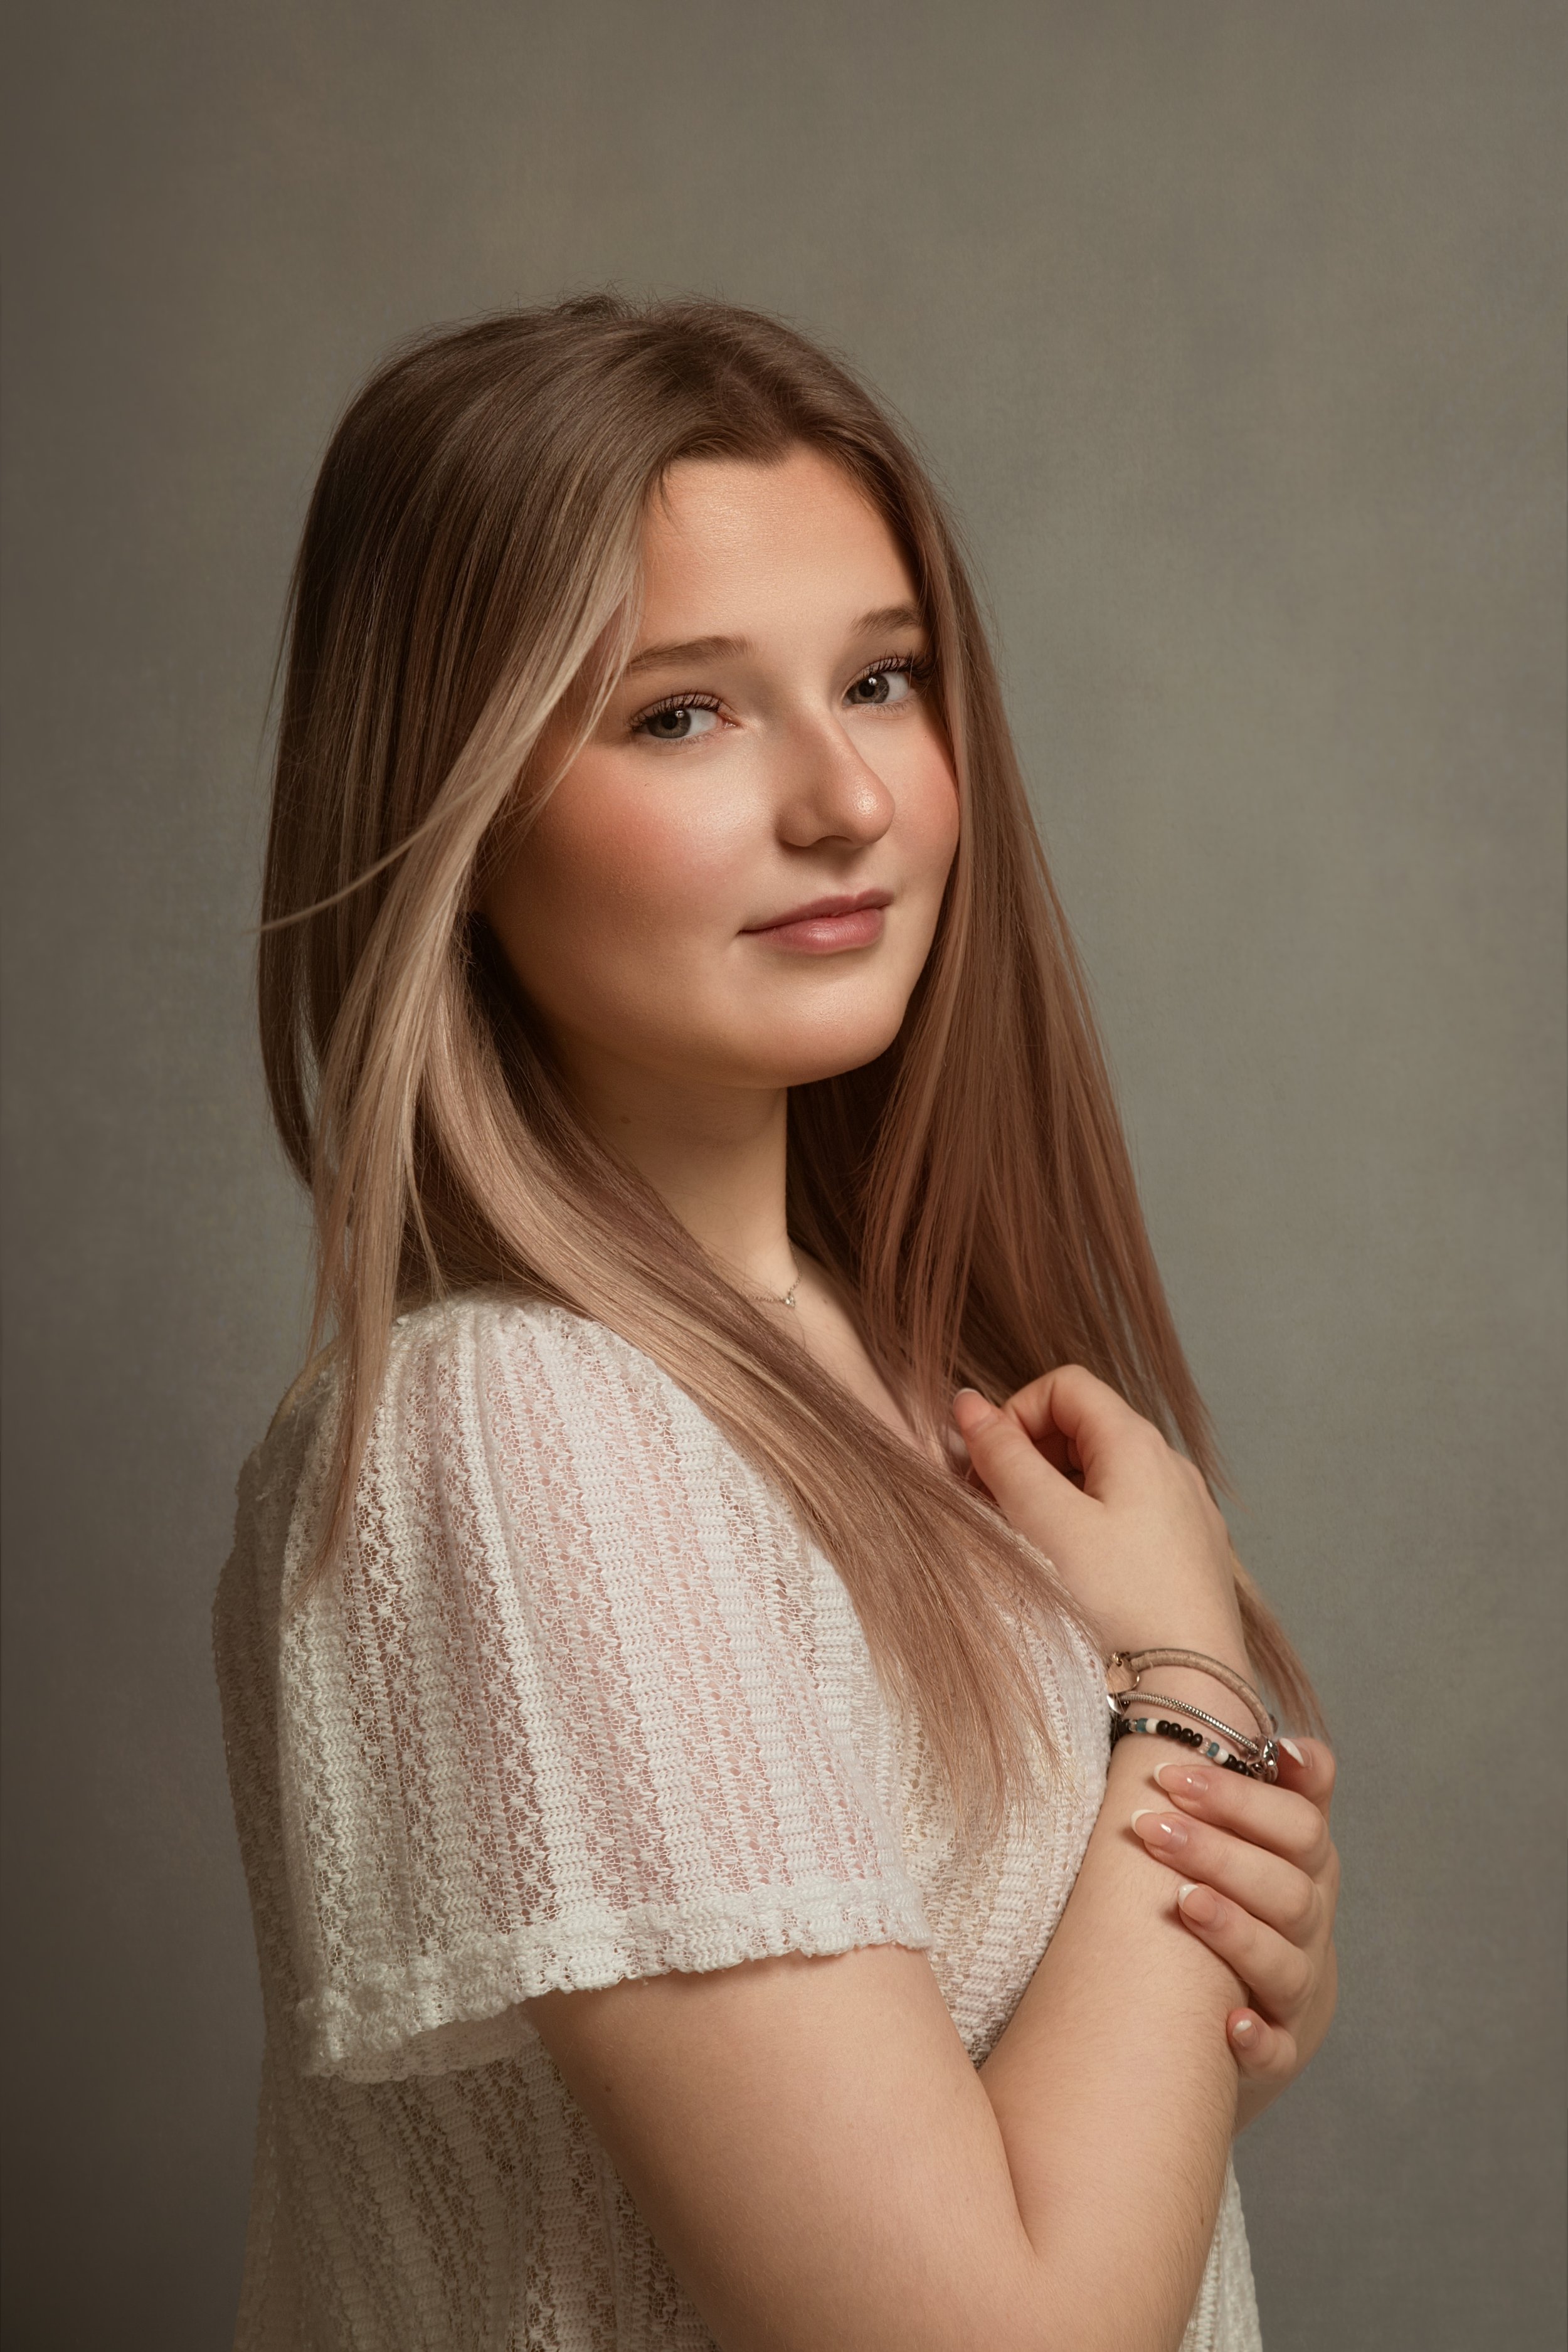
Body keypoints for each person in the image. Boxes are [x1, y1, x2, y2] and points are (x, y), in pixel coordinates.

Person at [213, 295, 1338, 2352]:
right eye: (680, 714)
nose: (847, 802)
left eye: (882, 680)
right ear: (446, 811)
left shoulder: (920, 1391)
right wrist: (1179, 1694)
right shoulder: (519, 1430)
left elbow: (1063, 2161)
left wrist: (1225, 1965)